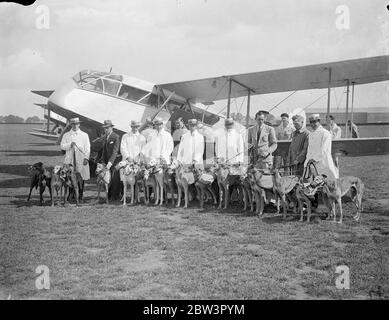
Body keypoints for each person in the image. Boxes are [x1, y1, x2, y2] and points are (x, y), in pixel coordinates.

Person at [60, 117, 90, 202]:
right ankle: (71, 193)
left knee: (81, 177)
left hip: (81, 159)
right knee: (69, 176)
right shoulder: (66, 135)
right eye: (73, 124)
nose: (75, 126)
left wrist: (86, 158)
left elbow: (87, 148)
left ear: (79, 124)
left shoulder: (84, 135)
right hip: (69, 160)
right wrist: (69, 144)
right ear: (71, 125)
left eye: (76, 124)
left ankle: (80, 194)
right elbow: (62, 146)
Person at [304, 114, 339, 180]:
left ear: (319, 121)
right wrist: (307, 161)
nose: (313, 124)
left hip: (323, 164)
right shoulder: (311, 134)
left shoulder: (325, 133)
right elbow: (310, 149)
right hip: (311, 164)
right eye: (311, 122)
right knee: (311, 185)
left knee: (329, 184)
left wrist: (314, 158)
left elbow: (324, 150)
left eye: (315, 122)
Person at [97, 120, 121, 200]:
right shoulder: (105, 137)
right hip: (107, 161)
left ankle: (115, 195)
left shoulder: (115, 137)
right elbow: (104, 151)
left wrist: (110, 163)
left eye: (107, 128)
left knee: (114, 178)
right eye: (105, 128)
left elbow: (115, 151)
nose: (105, 129)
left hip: (114, 161)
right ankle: (109, 195)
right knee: (108, 178)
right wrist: (103, 161)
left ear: (111, 127)